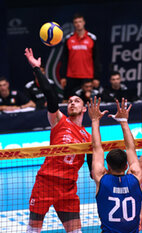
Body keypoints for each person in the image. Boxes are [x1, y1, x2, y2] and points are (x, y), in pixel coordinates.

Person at [24, 48, 92, 233]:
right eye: (69, 101)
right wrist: (37, 69)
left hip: (68, 187)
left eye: (76, 101)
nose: (72, 103)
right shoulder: (58, 121)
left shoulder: (88, 136)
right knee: (33, 230)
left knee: (76, 232)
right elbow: (50, 94)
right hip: (46, 183)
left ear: (84, 108)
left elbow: (93, 167)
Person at [88, 97, 142, 232]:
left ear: (107, 166)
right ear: (126, 166)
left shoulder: (102, 179)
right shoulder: (135, 177)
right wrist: (124, 121)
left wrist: (95, 121)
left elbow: (97, 148)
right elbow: (131, 149)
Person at [60, 13, 100, 100]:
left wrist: (96, 77)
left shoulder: (92, 38)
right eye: (76, 22)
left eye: (80, 22)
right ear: (74, 24)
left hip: (87, 76)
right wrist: (63, 76)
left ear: (84, 22)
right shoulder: (68, 38)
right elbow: (64, 59)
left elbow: (96, 59)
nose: (78, 24)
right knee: (69, 100)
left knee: (89, 101)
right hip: (72, 76)